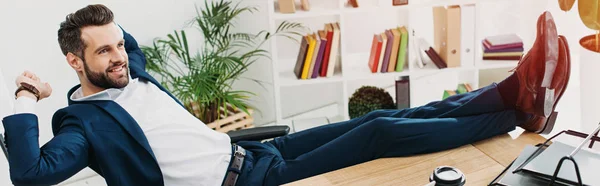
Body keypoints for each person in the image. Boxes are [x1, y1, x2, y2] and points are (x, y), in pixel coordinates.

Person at [1, 4, 570, 186]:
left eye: (117, 45)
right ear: (75, 63)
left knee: (391, 113)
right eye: (102, 53)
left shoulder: (131, 70)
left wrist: (114, 42)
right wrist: (28, 97)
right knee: (376, 132)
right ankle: (516, 105)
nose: (118, 56)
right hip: (253, 182)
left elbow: (124, 41)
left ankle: (512, 92)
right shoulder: (80, 126)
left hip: (257, 153)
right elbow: (30, 174)